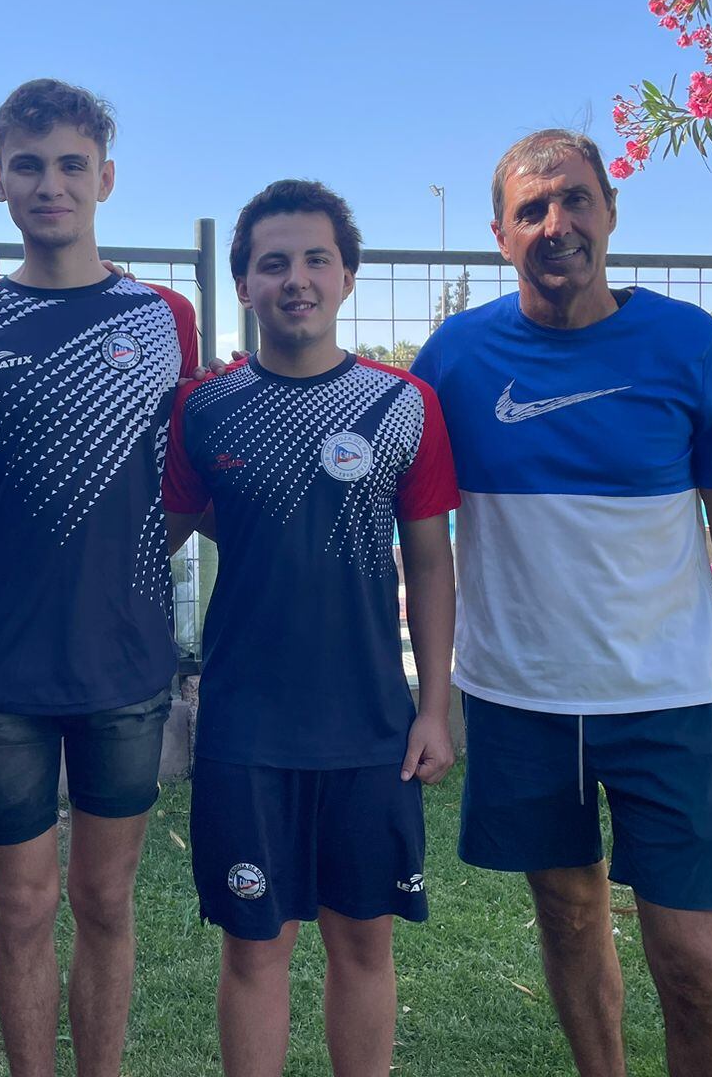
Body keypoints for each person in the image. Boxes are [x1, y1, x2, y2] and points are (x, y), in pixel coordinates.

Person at [411, 129, 712, 1077]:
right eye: (531, 210)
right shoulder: (455, 357)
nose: (557, 224)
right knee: (569, 917)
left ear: (610, 213)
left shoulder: (685, 342)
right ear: (500, 234)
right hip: (519, 697)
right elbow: (392, 491)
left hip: (664, 697)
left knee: (696, 959)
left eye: (575, 200)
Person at [0, 78, 197, 1077]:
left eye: (70, 164)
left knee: (105, 902)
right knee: (22, 906)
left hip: (126, 661)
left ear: (105, 177)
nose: (49, 183)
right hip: (1, 665)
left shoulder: (165, 318)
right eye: (29, 164)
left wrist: (136, 568)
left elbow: (183, 494)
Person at [163, 180, 458, 1077]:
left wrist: (433, 708)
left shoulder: (404, 404)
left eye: (315, 259)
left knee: (364, 946)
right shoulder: (203, 407)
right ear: (245, 284)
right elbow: (165, 533)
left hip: (371, 726)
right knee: (255, 949)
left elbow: (432, 562)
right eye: (273, 263)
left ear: (349, 276)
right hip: (247, 730)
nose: (296, 279)